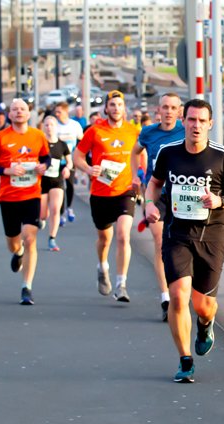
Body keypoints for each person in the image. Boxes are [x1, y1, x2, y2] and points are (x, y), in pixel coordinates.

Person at [143, 99, 224, 383]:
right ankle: (185, 360)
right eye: (191, 120)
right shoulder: (168, 152)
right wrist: (150, 204)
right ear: (183, 122)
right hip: (177, 234)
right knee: (178, 296)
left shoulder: (222, 156)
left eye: (202, 121)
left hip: (211, 236)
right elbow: (155, 183)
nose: (196, 126)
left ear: (210, 124)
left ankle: (205, 323)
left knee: (203, 305)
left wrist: (220, 200)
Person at [0, 98, 51, 305]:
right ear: (9, 115)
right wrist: (6, 170)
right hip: (9, 197)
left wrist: (42, 167)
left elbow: (46, 158)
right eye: (15, 110)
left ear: (29, 114)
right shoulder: (1, 138)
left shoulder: (38, 136)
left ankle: (26, 287)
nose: (19, 112)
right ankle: (17, 252)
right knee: (14, 241)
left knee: (30, 238)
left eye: (23, 109)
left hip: (31, 195)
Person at [73, 90, 142, 302]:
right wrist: (87, 168)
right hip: (101, 192)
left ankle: (121, 283)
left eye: (119, 105)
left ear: (124, 108)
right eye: (112, 105)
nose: (116, 108)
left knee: (123, 234)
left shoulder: (134, 131)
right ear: (106, 108)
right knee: (105, 238)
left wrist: (141, 178)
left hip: (125, 190)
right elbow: (78, 155)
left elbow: (141, 153)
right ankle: (102, 266)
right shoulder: (95, 131)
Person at [130, 92, 185, 321]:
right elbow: (134, 153)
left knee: (183, 246)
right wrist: (135, 176)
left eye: (173, 107)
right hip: (157, 194)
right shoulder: (148, 132)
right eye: (165, 107)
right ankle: (165, 297)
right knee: (161, 243)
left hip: (182, 195)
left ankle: (181, 290)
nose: (169, 111)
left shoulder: (186, 129)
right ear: (158, 111)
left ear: (179, 111)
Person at [39, 115, 72, 251]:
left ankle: (52, 238)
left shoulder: (62, 145)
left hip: (56, 180)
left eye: (52, 125)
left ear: (56, 127)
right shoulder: (40, 144)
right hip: (42, 181)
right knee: (43, 214)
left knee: (55, 209)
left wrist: (67, 169)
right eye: (46, 125)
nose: (49, 127)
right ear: (43, 127)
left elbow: (69, 161)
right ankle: (42, 219)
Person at [53, 102, 85, 224]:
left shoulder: (74, 125)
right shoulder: (55, 125)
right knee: (59, 187)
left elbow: (81, 142)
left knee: (70, 185)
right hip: (57, 161)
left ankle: (69, 208)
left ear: (66, 112)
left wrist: (80, 158)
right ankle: (61, 214)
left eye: (59, 112)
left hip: (70, 160)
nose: (57, 114)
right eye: (56, 112)